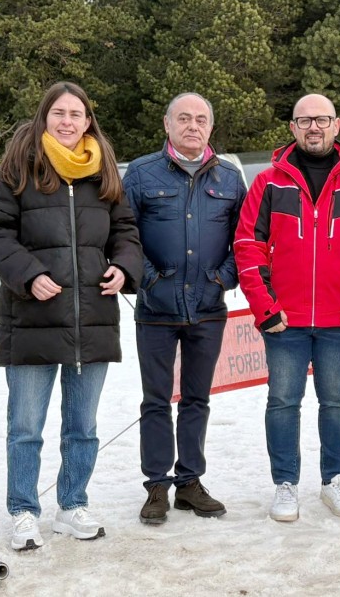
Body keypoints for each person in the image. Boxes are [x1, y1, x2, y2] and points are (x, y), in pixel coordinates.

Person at [0, 81, 143, 551]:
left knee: (82, 426)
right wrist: (28, 274)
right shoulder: (17, 170)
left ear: (89, 121)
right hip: (33, 320)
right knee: (26, 428)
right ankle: (24, 511)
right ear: (43, 117)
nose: (68, 121)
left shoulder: (103, 172)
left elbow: (126, 231)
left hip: (92, 318)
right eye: (59, 113)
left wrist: (124, 268)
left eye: (77, 114)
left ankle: (72, 505)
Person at [234, 94, 340, 522]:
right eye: (304, 121)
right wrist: (265, 306)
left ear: (336, 126)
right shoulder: (268, 184)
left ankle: (334, 478)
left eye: (321, 120)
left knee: (337, 400)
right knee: (283, 400)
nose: (313, 128)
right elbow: (248, 247)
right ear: (293, 128)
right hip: (285, 321)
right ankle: (285, 483)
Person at [124, 93, 246, 525]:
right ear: (167, 124)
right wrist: (151, 278)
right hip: (156, 307)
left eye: (201, 119)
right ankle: (156, 484)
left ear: (210, 128)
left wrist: (222, 278)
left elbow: (244, 238)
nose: (192, 126)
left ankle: (189, 482)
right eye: (184, 118)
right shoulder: (140, 174)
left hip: (209, 308)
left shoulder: (230, 178)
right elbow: (124, 236)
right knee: (156, 400)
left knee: (196, 398)